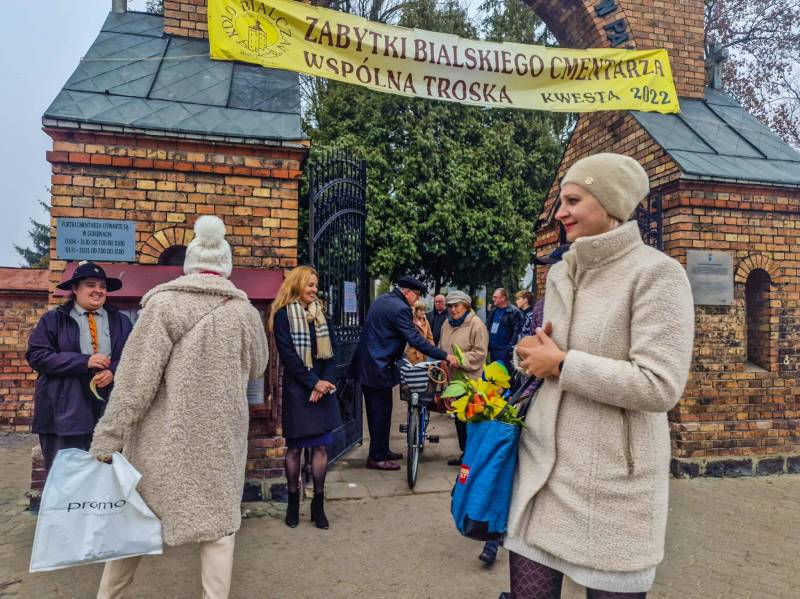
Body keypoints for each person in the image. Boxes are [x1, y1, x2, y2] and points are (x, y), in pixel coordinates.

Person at [507, 153, 695, 598]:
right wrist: (528, 355)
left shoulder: (657, 274)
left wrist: (563, 364)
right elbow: (547, 354)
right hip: (540, 478)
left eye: (573, 200)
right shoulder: (560, 273)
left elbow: (659, 385)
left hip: (612, 488)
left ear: (610, 203)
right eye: (560, 201)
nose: (560, 213)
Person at [89, 216, 269, 599]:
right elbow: (257, 367)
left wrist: (108, 439)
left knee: (134, 519)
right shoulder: (245, 312)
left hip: (163, 441)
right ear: (225, 264)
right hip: (219, 441)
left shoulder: (161, 305)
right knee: (219, 531)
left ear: (190, 262)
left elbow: (135, 381)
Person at [26, 261, 133, 474]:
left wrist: (113, 371)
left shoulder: (121, 321)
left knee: (106, 474)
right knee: (66, 475)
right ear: (75, 289)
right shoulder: (54, 319)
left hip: (108, 410)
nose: (98, 291)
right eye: (90, 285)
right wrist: (84, 362)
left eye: (102, 286)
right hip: (64, 409)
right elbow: (37, 356)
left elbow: (134, 358)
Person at [350, 276, 457, 471]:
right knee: (378, 414)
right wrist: (444, 355)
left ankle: (382, 450)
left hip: (372, 364)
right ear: (407, 292)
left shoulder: (383, 300)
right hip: (376, 367)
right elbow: (415, 339)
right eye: (416, 295)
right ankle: (376, 458)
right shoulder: (401, 308)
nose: (417, 300)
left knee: (383, 411)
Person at [269, 265, 339, 530]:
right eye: (310, 284)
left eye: (315, 285)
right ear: (297, 284)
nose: (314, 289)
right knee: (295, 449)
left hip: (323, 391)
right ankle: (292, 503)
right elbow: (289, 356)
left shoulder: (321, 314)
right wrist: (313, 382)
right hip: (299, 390)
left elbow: (332, 353)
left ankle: (318, 505)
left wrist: (324, 383)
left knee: (320, 448)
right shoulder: (283, 316)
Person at [437, 290, 488, 466]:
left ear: (466, 306)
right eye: (450, 306)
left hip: (470, 380)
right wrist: (442, 360)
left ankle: (472, 457)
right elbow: (441, 346)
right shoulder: (446, 324)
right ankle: (465, 453)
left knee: (471, 419)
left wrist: (459, 360)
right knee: (459, 418)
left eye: (457, 305)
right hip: (453, 380)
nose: (453, 309)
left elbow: (480, 353)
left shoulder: (476, 324)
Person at [486, 288, 522, 366]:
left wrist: (509, 348)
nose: (493, 299)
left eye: (495, 297)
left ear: (503, 298)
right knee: (494, 372)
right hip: (493, 350)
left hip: (505, 352)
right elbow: (488, 327)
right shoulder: (493, 311)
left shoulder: (514, 312)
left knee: (505, 372)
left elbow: (517, 332)